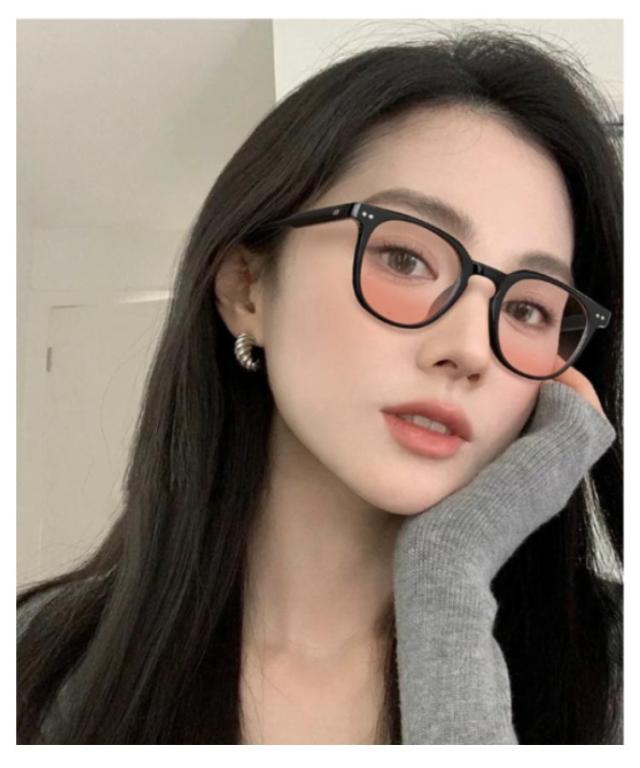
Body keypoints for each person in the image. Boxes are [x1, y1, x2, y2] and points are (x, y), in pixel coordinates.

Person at [17, 28, 622, 744]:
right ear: (247, 288)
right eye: (406, 258)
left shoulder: (616, 670)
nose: (468, 350)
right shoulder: (35, 668)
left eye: (528, 309)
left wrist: (447, 577)